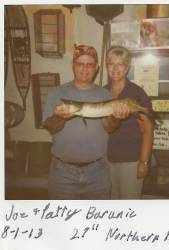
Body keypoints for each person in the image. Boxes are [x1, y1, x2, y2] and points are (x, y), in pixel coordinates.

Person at [42, 44, 129, 200]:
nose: (85, 68)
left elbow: (110, 128)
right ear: (73, 65)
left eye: (90, 64)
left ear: (96, 68)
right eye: (80, 64)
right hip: (63, 173)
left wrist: (116, 117)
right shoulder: (57, 93)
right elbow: (51, 128)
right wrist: (59, 117)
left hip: (98, 174)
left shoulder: (105, 94)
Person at [105, 45, 154, 199]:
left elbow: (147, 130)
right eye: (111, 63)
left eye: (120, 64)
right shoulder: (101, 92)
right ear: (106, 66)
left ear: (127, 68)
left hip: (131, 161)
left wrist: (144, 162)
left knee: (128, 206)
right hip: (106, 161)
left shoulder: (136, 93)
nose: (115, 68)